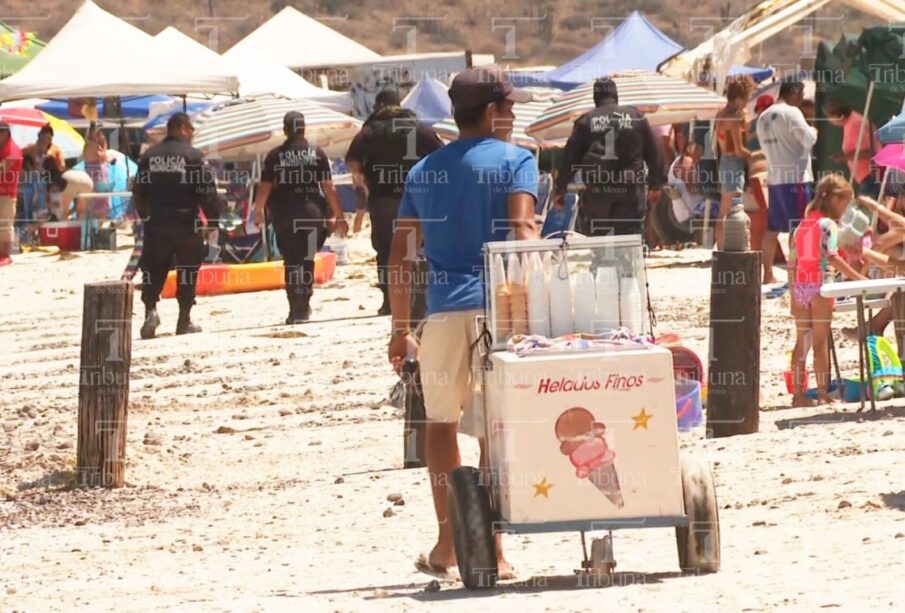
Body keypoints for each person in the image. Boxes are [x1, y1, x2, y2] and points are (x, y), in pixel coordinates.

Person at [387, 66, 538, 580]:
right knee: (496, 430)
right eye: (510, 108)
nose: (514, 116)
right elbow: (522, 229)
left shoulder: (423, 170)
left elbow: (402, 254)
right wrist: (534, 309)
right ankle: (494, 549)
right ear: (493, 113)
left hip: (444, 311)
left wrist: (398, 328)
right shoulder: (519, 161)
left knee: (440, 424)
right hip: (503, 308)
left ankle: (450, 543)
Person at [345, 88, 444, 315]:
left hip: (383, 199)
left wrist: (364, 183)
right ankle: (419, 299)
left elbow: (353, 161)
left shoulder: (370, 130)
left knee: (386, 250)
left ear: (379, 106)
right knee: (417, 247)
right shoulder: (420, 128)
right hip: (418, 197)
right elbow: (441, 155)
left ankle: (390, 302)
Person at [133, 113, 221, 339]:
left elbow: (139, 192)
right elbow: (206, 191)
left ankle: (150, 311)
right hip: (185, 222)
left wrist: (146, 216)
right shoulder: (193, 156)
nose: (192, 134)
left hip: (157, 222)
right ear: (182, 128)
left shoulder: (149, 156)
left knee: (153, 269)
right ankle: (184, 320)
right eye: (191, 129)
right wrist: (213, 220)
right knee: (188, 270)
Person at [253, 111, 346, 324]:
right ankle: (304, 304)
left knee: (292, 262)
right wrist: (339, 215)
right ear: (304, 129)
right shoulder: (317, 152)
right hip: (312, 213)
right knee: (306, 260)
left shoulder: (275, 155)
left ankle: (295, 308)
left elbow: (265, 187)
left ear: (285, 130)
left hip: (285, 214)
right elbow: (328, 188)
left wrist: (258, 211)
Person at [553, 77, 664, 237]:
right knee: (628, 239)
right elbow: (654, 152)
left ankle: (601, 260)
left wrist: (560, 189)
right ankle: (628, 261)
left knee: (600, 238)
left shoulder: (586, 121)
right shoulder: (635, 116)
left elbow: (570, 158)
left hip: (598, 191)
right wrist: (656, 184)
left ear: (595, 98)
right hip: (630, 189)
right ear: (616, 95)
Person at [788, 174, 864, 407]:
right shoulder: (829, 225)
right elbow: (830, 257)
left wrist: (792, 294)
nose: (846, 209)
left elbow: (792, 261)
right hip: (822, 285)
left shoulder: (803, 224)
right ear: (835, 199)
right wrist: (859, 278)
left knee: (803, 342)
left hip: (800, 286)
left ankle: (798, 394)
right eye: (845, 203)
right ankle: (822, 392)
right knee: (820, 343)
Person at [756, 79, 818, 285]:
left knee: (772, 228)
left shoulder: (763, 117)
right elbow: (809, 139)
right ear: (795, 91)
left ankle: (767, 274)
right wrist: (814, 127)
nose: (802, 99)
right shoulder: (792, 113)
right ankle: (796, 277)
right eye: (800, 94)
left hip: (775, 178)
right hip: (796, 179)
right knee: (799, 228)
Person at [714, 76, 755, 249]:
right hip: (733, 164)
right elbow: (739, 150)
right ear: (739, 97)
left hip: (725, 162)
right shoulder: (734, 118)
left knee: (726, 209)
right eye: (746, 97)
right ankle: (724, 248)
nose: (747, 102)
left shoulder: (721, 114)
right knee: (729, 209)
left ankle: (723, 247)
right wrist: (756, 155)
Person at [824, 98, 881, 196]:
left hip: (870, 175)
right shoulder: (852, 121)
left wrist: (844, 157)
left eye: (829, 116)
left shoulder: (855, 124)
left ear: (835, 115)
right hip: (867, 176)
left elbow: (870, 151)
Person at [0, 122, 23, 265]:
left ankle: (5, 255)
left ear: (6, 134)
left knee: (5, 225)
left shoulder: (12, 151)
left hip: (7, 194)